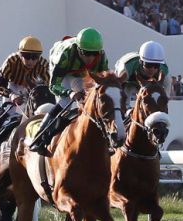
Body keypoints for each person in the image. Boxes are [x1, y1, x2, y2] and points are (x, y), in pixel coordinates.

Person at [27, 27, 109, 155]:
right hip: (64, 73)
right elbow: (53, 86)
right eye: (87, 53)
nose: (91, 58)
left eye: (95, 54)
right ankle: (39, 138)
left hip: (82, 73)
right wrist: (70, 93)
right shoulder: (65, 55)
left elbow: (104, 81)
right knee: (65, 103)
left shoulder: (102, 56)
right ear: (78, 49)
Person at [114, 40, 170, 110]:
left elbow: (165, 100)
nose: (152, 69)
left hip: (146, 86)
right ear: (141, 62)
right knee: (123, 101)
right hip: (128, 83)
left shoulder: (164, 71)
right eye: (148, 65)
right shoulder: (127, 67)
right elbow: (116, 90)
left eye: (156, 66)